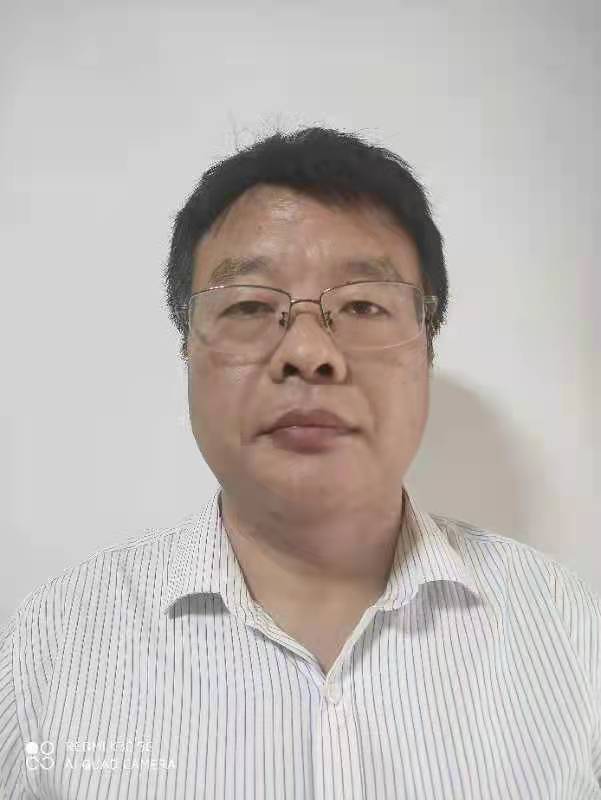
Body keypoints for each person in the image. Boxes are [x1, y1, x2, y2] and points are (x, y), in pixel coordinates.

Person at [0, 127, 599, 800]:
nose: (308, 353)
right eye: (250, 305)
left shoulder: (567, 628)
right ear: (187, 352)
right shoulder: (50, 647)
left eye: (364, 305)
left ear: (427, 347)